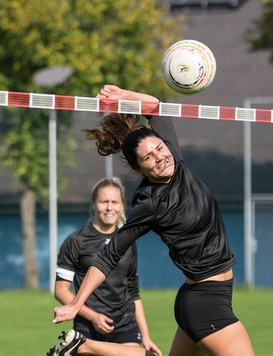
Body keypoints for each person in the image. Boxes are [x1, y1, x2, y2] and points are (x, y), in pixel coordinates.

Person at [48, 85, 255, 356]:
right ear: (138, 168)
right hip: (206, 304)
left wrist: (125, 95)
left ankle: (85, 347)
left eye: (159, 148)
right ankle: (87, 347)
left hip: (199, 298)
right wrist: (76, 303)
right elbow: (109, 254)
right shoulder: (150, 203)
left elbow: (157, 106)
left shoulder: (175, 160)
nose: (159, 158)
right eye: (148, 157)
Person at [51, 178, 162, 356]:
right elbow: (60, 290)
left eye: (114, 202)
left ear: (122, 206)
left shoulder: (127, 241)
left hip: (126, 326)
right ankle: (79, 345)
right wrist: (93, 317)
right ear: (94, 204)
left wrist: (146, 337)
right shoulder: (76, 241)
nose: (109, 208)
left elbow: (134, 293)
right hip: (87, 328)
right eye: (104, 202)